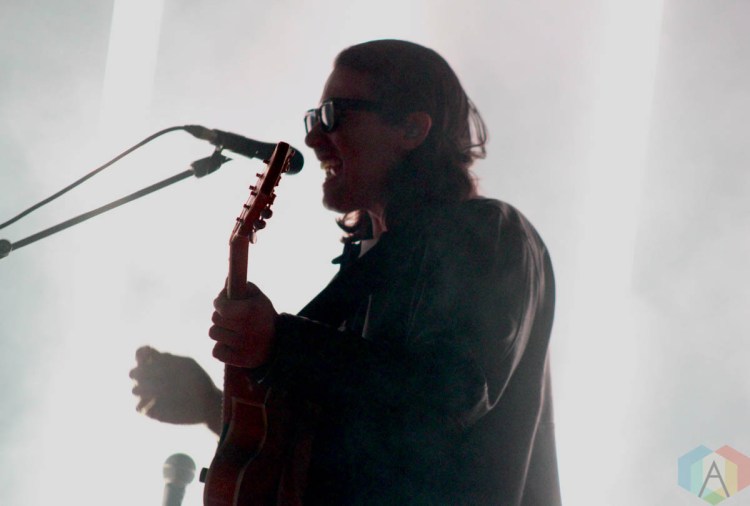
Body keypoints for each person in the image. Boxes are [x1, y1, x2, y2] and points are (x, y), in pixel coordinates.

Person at [130, 39, 561, 505]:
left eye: (333, 115)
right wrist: (211, 405)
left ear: (411, 129)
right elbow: (338, 454)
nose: (314, 138)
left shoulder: (488, 234)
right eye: (313, 120)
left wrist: (280, 343)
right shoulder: (364, 269)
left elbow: (447, 397)